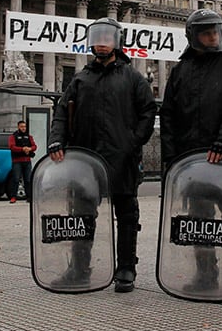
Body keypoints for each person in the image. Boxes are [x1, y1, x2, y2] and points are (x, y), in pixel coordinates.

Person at [48, 17, 157, 293]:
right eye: (97, 38)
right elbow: (62, 111)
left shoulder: (133, 78)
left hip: (123, 157)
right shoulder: (81, 78)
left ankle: (126, 268)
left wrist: (133, 142)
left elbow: (148, 112)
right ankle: (79, 268)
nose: (101, 43)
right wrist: (57, 140)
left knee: (127, 214)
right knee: (82, 213)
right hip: (86, 156)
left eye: (107, 38)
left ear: (117, 42)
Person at [160, 9, 222, 301]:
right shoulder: (180, 70)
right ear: (194, 37)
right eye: (207, 33)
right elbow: (169, 114)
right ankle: (206, 276)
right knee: (199, 220)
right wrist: (172, 158)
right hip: (191, 158)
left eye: (216, 32)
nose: (214, 37)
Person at [7, 120, 37, 203]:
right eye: (22, 127)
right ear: (18, 127)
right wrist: (22, 149)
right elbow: (12, 147)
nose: (23, 128)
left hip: (27, 161)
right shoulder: (13, 136)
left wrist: (29, 149)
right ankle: (13, 197)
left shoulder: (29, 136)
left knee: (28, 180)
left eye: (24, 126)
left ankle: (29, 197)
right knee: (16, 179)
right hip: (17, 161)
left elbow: (34, 146)